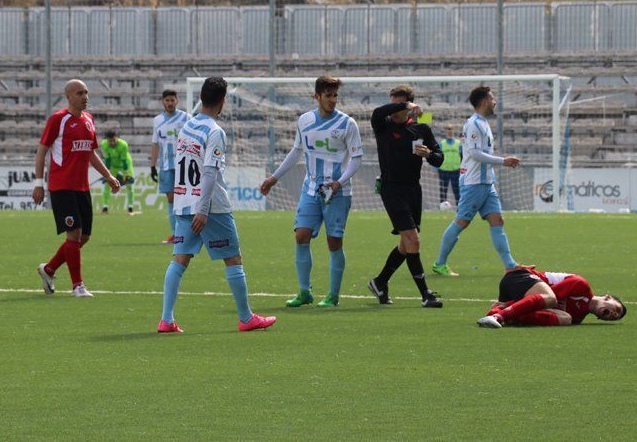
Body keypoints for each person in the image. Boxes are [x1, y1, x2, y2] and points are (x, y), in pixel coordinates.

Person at [158, 77, 276, 333]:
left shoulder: (187, 127)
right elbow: (209, 172)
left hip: (183, 203)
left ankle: (166, 319)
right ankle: (246, 318)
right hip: (211, 207)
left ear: (201, 97)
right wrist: (203, 209)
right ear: (223, 102)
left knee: (179, 260)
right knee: (234, 259)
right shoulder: (214, 131)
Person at [259, 76, 363, 308]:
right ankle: (304, 292)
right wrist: (273, 178)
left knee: (334, 242)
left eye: (335, 95)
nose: (333, 100)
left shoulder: (347, 124)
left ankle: (333, 295)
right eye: (328, 95)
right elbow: (296, 151)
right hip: (311, 188)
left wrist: (340, 181)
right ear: (317, 96)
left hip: (338, 192)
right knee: (301, 235)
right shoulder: (304, 121)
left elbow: (356, 159)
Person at [34, 80, 120, 298]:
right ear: (69, 96)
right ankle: (78, 286)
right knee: (74, 234)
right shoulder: (58, 120)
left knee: (84, 237)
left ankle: (49, 269)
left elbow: (91, 153)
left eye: (86, 92)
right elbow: (42, 151)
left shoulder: (89, 120)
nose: (85, 96)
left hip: (82, 187)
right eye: (80, 93)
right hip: (62, 186)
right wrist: (38, 184)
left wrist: (108, 175)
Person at [366, 85, 444, 308]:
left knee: (405, 244)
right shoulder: (382, 125)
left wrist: (429, 154)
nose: (394, 111)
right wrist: (403, 105)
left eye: (399, 106)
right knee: (413, 240)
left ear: (410, 109)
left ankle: (379, 282)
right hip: (391, 189)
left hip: (413, 190)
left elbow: (440, 159)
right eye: (393, 104)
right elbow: (378, 112)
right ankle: (426, 294)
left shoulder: (421, 129)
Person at [433, 86, 521, 276]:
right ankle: (440, 263)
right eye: (492, 98)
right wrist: (502, 161)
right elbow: (474, 153)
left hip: (486, 182)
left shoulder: (483, 123)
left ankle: (510, 265)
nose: (495, 101)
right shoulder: (474, 124)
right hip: (474, 182)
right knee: (461, 222)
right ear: (483, 102)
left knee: (497, 220)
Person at [477, 265, 626, 328]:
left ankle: (502, 315)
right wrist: (506, 304)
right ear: (607, 297)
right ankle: (499, 316)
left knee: (565, 319)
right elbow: (545, 296)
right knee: (551, 299)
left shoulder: (577, 317)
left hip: (517, 293)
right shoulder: (582, 286)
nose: (614, 314)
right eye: (617, 309)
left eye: (615, 316)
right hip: (519, 277)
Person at [150, 90, 190, 244]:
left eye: (172, 100)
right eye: (167, 100)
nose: (170, 103)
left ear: (177, 101)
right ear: (163, 102)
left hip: (184, 164)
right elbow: (155, 143)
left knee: (186, 198)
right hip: (166, 165)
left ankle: (188, 233)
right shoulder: (157, 120)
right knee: (171, 199)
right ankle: (175, 235)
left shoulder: (186, 118)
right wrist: (153, 166)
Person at [100, 129, 135, 215]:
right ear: (107, 140)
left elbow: (124, 161)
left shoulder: (123, 145)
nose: (112, 143)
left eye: (113, 140)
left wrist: (127, 174)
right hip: (113, 165)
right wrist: (107, 173)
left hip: (125, 164)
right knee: (107, 185)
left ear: (117, 138)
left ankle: (130, 207)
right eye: (110, 141)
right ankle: (105, 207)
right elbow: (107, 160)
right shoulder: (104, 144)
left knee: (129, 185)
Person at [437, 124, 462, 206]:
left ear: (453, 131)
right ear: (445, 132)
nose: (450, 131)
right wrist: (435, 168)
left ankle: (459, 207)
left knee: (457, 190)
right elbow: (438, 156)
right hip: (443, 170)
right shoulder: (441, 144)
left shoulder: (459, 144)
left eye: (451, 129)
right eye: (448, 129)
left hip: (456, 170)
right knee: (443, 190)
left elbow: (462, 157)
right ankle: (442, 207)